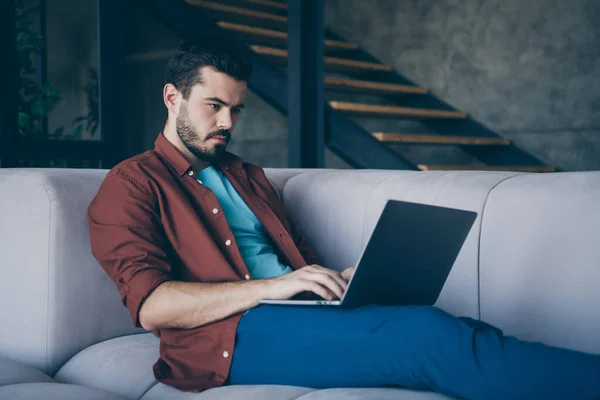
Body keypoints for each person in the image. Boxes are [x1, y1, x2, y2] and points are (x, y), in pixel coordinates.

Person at [87, 38, 600, 400]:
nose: (227, 123)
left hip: (299, 312)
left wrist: (336, 280)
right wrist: (276, 287)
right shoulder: (132, 184)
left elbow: (294, 265)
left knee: (452, 329)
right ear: (172, 97)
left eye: (237, 110)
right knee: (425, 337)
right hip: (227, 342)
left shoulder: (247, 176)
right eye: (214, 105)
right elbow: (153, 307)